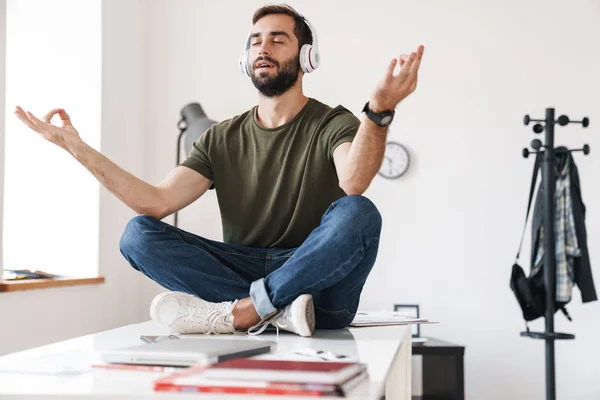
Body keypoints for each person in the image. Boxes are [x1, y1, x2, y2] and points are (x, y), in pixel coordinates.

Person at [14, 4, 424, 337]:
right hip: (243, 272)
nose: (263, 47)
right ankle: (269, 310)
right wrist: (76, 146)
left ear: (306, 58)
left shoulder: (333, 122)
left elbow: (353, 181)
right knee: (137, 234)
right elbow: (153, 203)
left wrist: (379, 111)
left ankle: (252, 310)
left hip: (319, 284)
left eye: (278, 39)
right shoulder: (221, 137)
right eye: (255, 41)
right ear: (244, 59)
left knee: (358, 212)